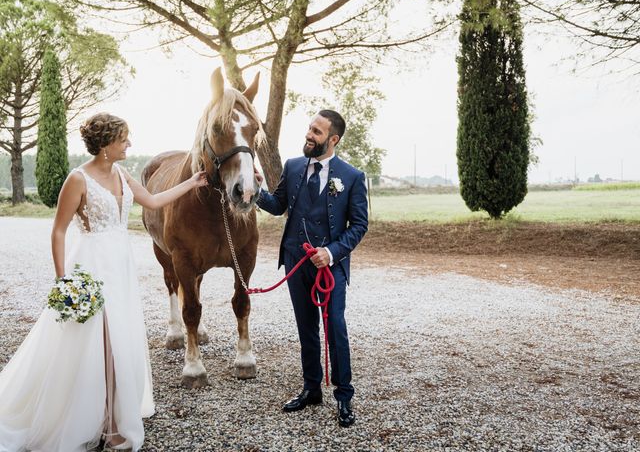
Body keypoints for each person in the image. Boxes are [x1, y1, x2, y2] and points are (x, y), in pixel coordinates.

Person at [0, 113, 207, 452]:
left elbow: (153, 201)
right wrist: (63, 280)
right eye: (124, 138)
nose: (129, 144)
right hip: (91, 267)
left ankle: (110, 414)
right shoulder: (77, 179)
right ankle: (110, 426)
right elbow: (59, 230)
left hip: (121, 267)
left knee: (120, 342)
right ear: (107, 143)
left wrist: (192, 182)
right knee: (105, 345)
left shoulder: (122, 174)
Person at [256, 109, 368, 427]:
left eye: (317, 132)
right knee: (306, 329)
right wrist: (254, 192)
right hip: (295, 260)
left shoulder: (352, 177)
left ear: (333, 139)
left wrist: (331, 253)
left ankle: (344, 398)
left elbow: (360, 225)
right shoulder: (292, 167)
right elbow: (278, 206)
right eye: (309, 128)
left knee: (336, 332)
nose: (309, 135)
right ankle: (311, 389)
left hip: (329, 268)